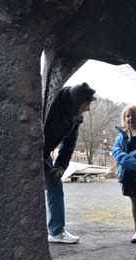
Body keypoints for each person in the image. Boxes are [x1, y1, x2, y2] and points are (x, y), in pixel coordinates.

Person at [44, 82, 96, 244]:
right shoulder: (52, 105)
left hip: (44, 153)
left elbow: (68, 144)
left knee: (55, 186)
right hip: (29, 149)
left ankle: (56, 231)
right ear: (77, 102)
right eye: (86, 104)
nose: (88, 109)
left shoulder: (76, 118)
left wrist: (60, 166)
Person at [112, 105, 136, 243]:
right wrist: (130, 161)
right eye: (128, 116)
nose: (130, 118)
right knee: (134, 204)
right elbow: (117, 151)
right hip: (128, 175)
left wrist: (132, 156)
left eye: (133, 115)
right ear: (124, 119)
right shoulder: (121, 136)